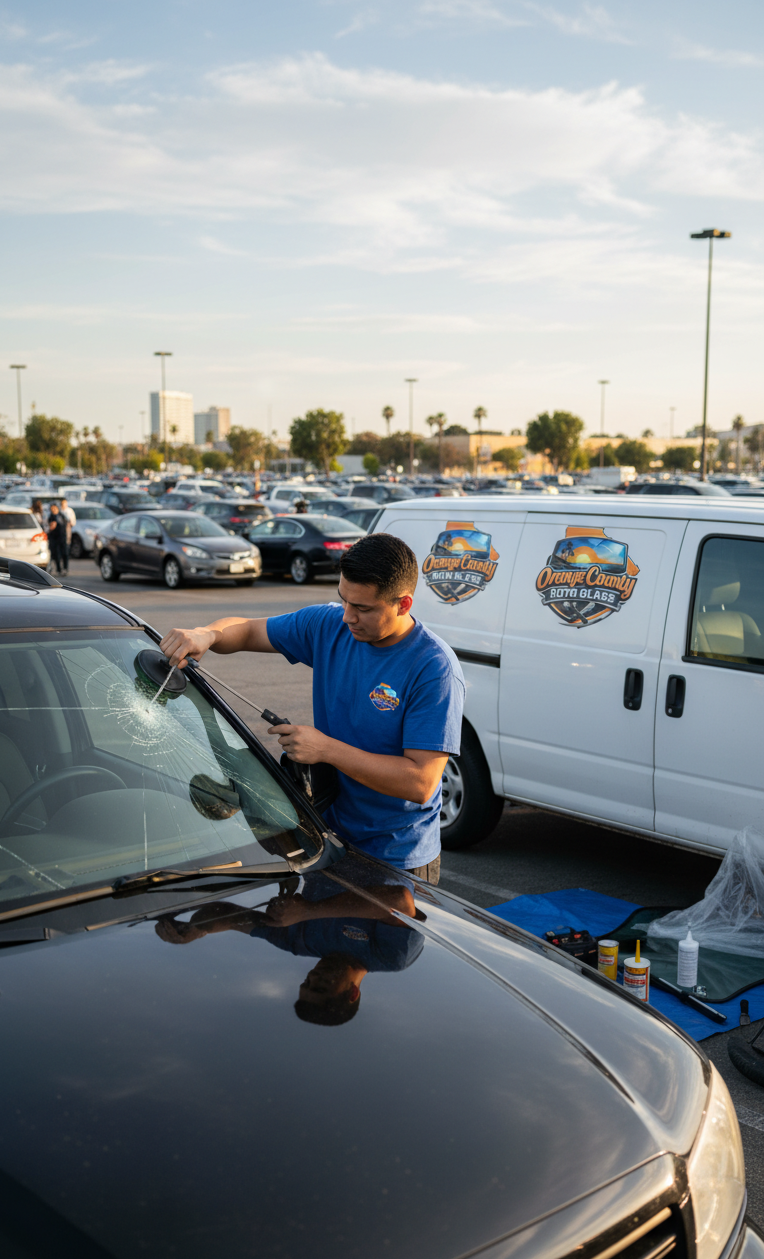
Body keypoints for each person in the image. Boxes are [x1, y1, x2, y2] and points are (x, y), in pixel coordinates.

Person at [160, 533, 464, 882]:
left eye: (363, 608)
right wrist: (207, 635)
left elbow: (420, 783)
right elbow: (246, 631)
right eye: (344, 600)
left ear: (403, 604)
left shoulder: (433, 668)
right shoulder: (329, 625)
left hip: (396, 857)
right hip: (326, 838)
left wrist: (325, 749)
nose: (348, 616)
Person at [154, 860, 424, 1026]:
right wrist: (309, 911)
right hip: (385, 834)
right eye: (321, 986)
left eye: (307, 983)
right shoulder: (390, 957)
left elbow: (230, 918)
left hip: (326, 833)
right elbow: (398, 901)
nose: (314, 976)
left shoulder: (299, 943)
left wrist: (195, 930)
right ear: (353, 993)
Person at [46, 503, 68, 576]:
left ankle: (65, 568)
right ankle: (59, 569)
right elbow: (49, 527)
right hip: (54, 538)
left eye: (54, 508)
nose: (53, 510)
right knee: (57, 554)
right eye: (52, 509)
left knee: (65, 553)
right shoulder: (50, 517)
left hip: (62, 537)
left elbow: (67, 523)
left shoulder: (62, 515)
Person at [58, 497, 76, 574]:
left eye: (65, 503)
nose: (63, 505)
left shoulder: (69, 511)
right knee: (58, 552)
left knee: (66, 551)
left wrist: (68, 523)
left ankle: (65, 568)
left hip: (66, 533)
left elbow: (73, 522)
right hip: (58, 534)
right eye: (62, 503)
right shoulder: (58, 511)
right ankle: (59, 569)